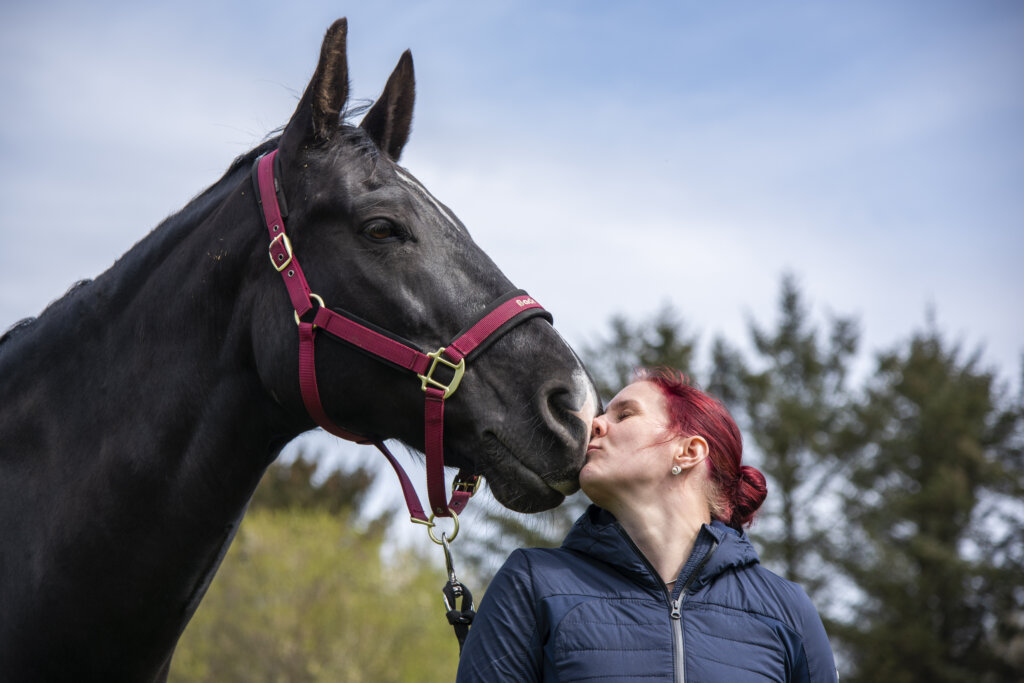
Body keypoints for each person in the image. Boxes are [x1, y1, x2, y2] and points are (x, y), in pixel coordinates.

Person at [456, 367, 839, 682]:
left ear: (688, 452)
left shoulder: (786, 610)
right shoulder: (533, 583)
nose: (595, 426)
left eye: (624, 414)